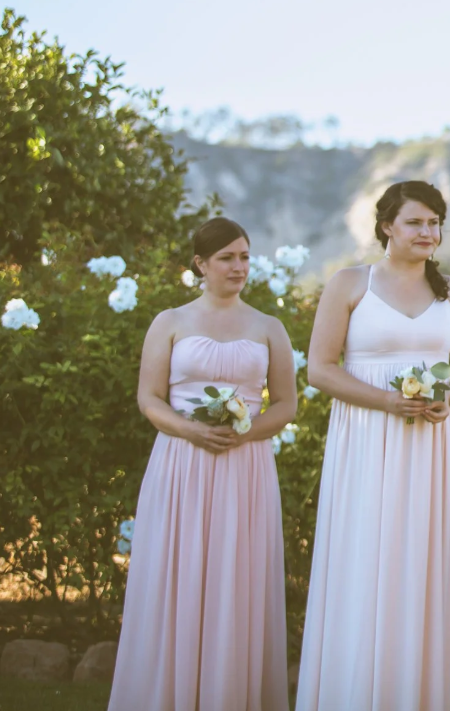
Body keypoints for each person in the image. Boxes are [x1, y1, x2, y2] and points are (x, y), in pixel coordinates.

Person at [295, 181, 450, 711]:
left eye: (435, 223)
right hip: (366, 442)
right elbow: (319, 369)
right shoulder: (350, 284)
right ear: (386, 227)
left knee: (419, 561)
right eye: (416, 223)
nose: (429, 232)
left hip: (429, 444)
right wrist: (385, 400)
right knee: (364, 556)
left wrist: (448, 398)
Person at [109, 217, 296, 711]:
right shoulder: (169, 322)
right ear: (200, 265)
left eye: (244, 257)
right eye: (227, 258)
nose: (239, 267)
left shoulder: (268, 327)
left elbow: (285, 405)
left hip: (246, 468)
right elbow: (149, 399)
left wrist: (242, 433)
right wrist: (193, 430)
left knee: (237, 575)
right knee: (180, 569)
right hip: (181, 463)